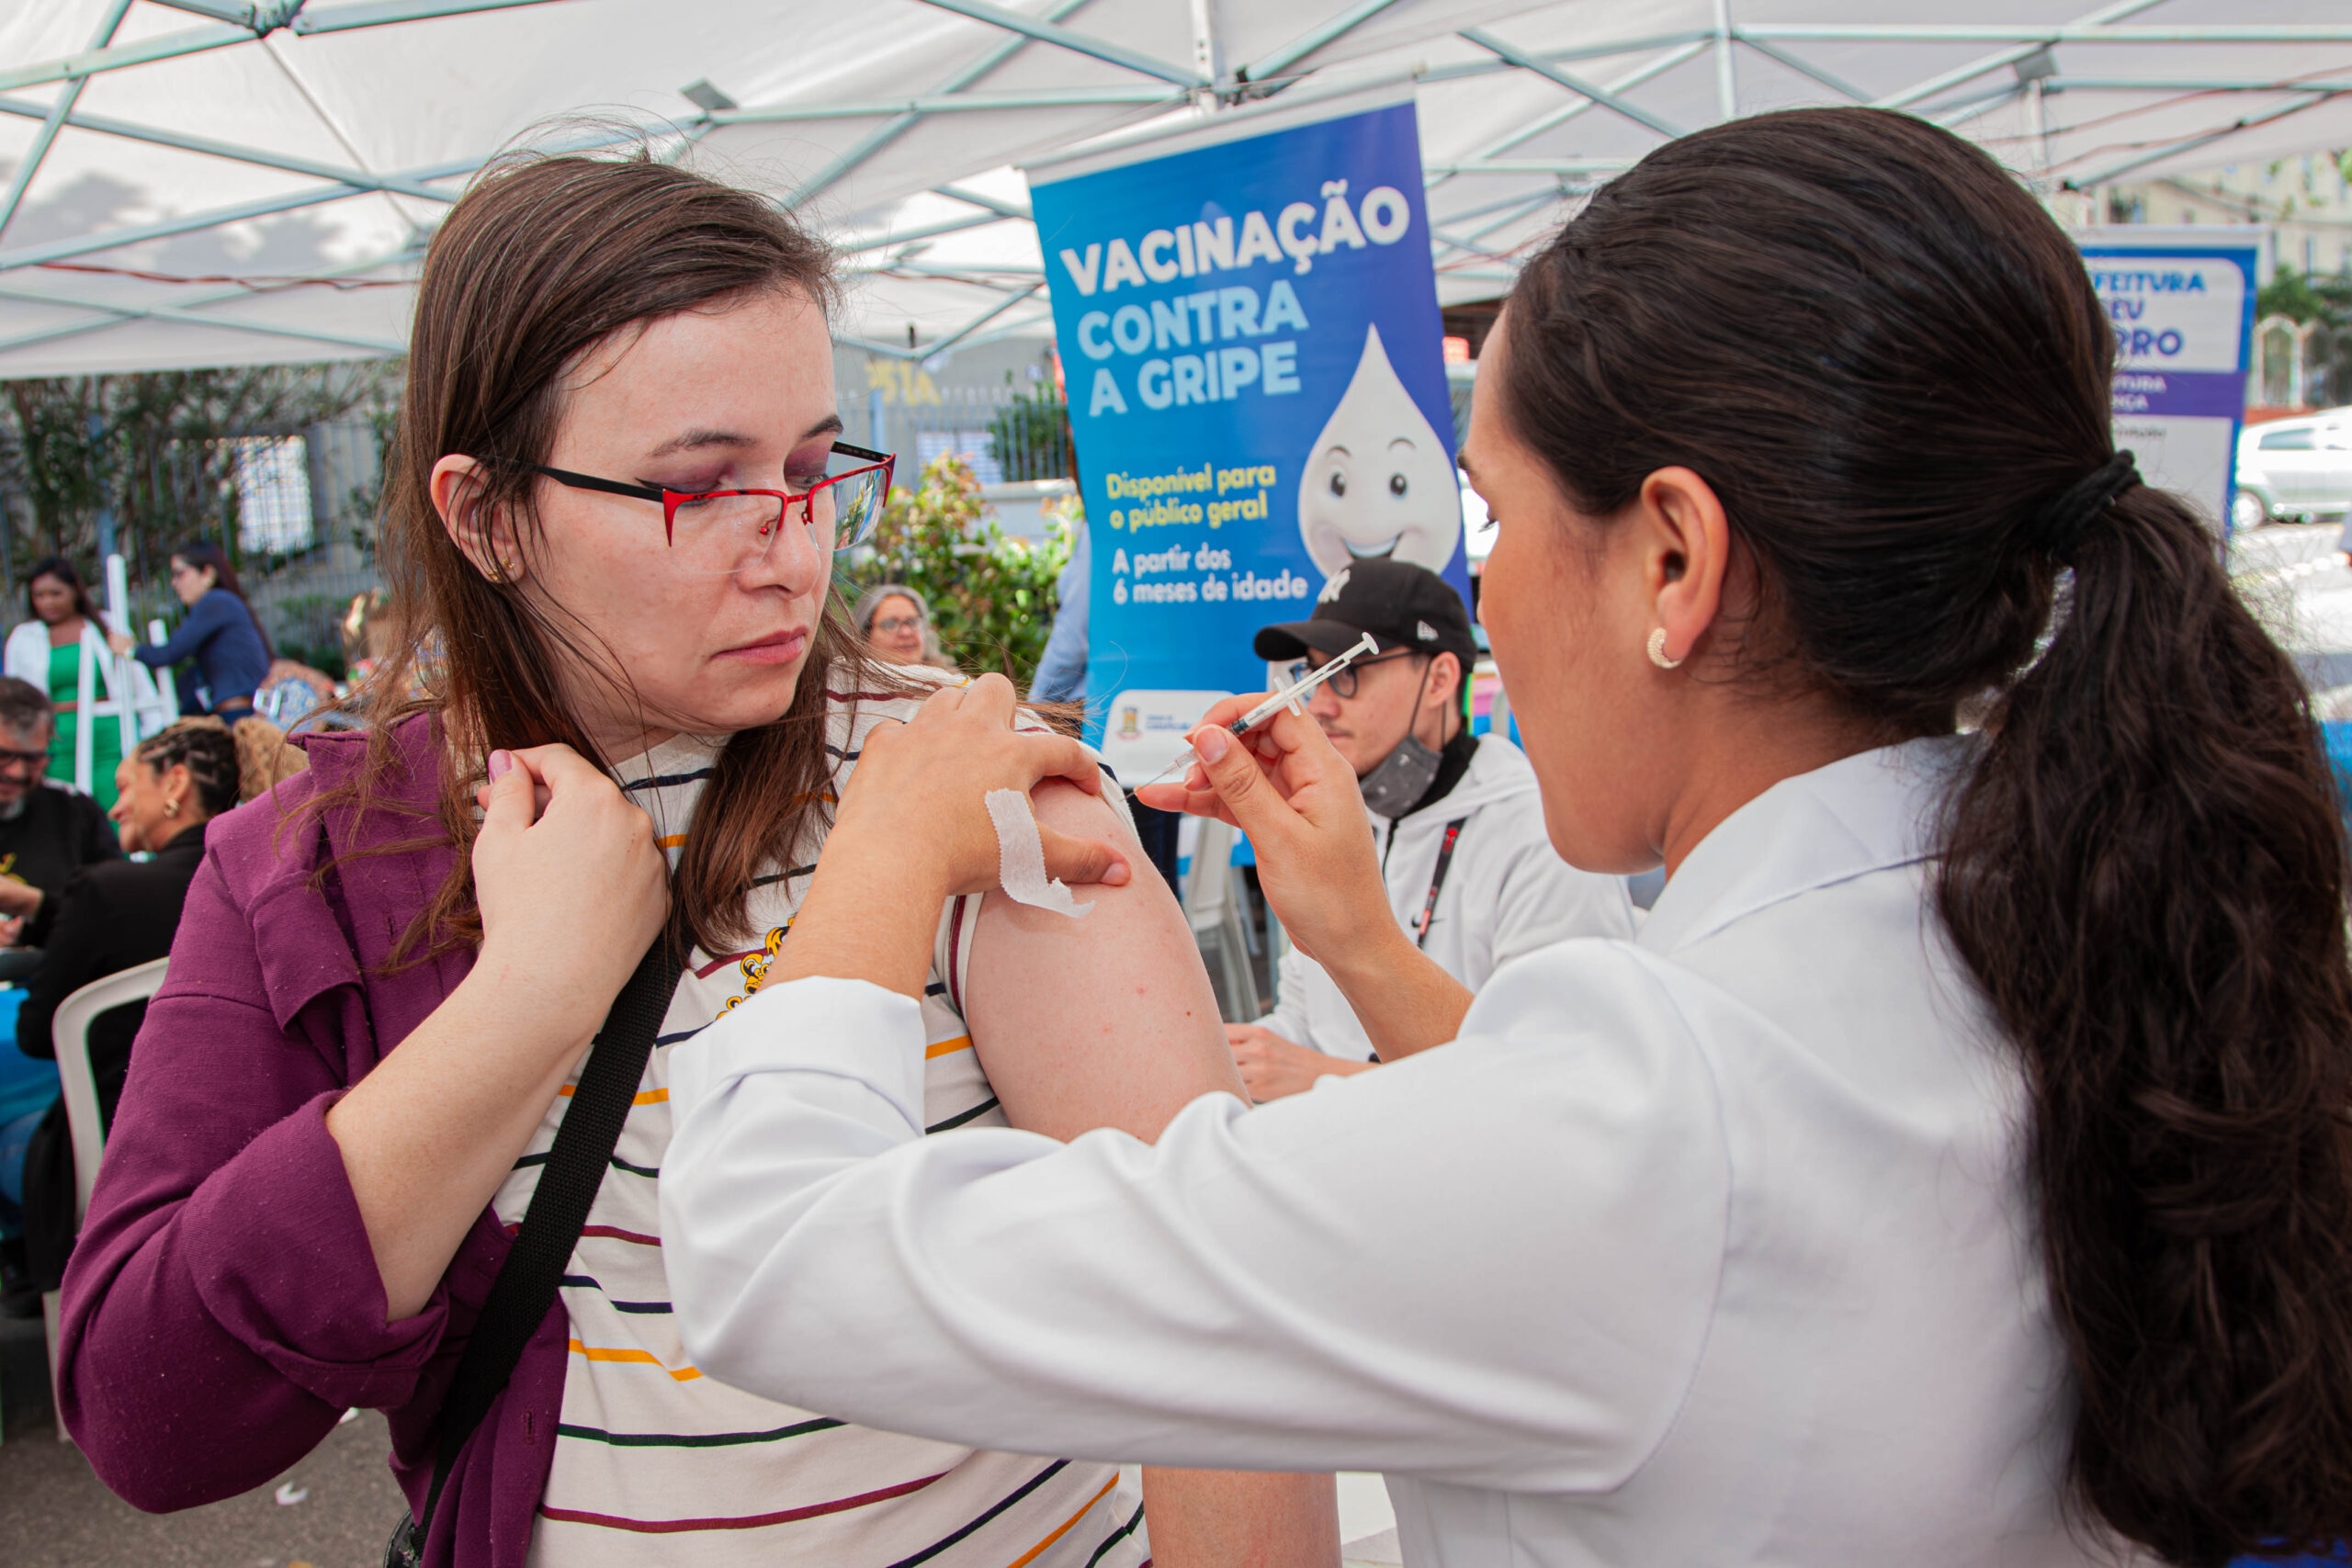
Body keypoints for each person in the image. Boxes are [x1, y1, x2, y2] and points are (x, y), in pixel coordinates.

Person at [653, 107, 2352, 1568]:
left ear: (1673, 558)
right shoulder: (2055, 917)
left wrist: (881, 845)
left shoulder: (1660, 1132)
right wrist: (1359, 936)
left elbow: (779, 1262)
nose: (1492, 596)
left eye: (1495, 513)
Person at [57, 149, 1322, 1568]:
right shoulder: (326, 863)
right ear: (485, 515)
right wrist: (525, 1002)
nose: (790, 552)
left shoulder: (957, 778)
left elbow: (1217, 1332)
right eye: (698, 486)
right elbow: (149, 1415)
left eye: (810, 468)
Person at [1226, 558, 1632, 1100]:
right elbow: (1303, 1019)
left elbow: (1565, 1085)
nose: (1318, 705)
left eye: (1345, 672)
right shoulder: (1337, 814)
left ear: (1440, 679)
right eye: (1311, 673)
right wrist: (1239, 1058)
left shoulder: (1544, 837)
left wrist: (1323, 1077)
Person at [14, 720, 273, 1296]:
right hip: (265, 1141)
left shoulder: (107, 891)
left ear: (174, 783)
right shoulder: (270, 877)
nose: (113, 809)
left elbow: (35, 1035)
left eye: (125, 786)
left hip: (121, 1153)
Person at [4, 556, 144, 808]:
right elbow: (16, 700)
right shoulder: (24, 638)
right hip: (58, 742)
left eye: (55, 593)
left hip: (110, 738)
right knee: (65, 810)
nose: (47, 602)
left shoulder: (107, 625)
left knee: (118, 804)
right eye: (39, 595)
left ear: (75, 591)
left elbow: (138, 681)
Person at [0, 675, 121, 948]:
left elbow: (114, 912)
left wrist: (34, 905)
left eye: (33, 759)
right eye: (4, 755)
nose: (17, 772)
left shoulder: (73, 810)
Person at [110, 540, 272, 717]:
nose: (174, 583)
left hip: (237, 715)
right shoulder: (224, 604)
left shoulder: (215, 602)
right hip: (237, 713)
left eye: (180, 574)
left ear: (207, 573)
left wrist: (131, 650)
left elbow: (170, 653)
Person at [850, 581, 951, 667]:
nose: (906, 632)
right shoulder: (847, 682)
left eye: (912, 622)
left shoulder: (950, 680)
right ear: (864, 636)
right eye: (890, 624)